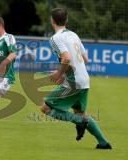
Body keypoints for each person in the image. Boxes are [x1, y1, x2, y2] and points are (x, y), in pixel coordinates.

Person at [40, 8, 112, 149]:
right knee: (81, 113)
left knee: (45, 107)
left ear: (52, 21)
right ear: (66, 20)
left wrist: (60, 73)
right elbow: (85, 58)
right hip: (84, 80)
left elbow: (67, 57)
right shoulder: (73, 34)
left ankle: (78, 122)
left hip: (74, 81)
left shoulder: (55, 38)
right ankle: (103, 143)